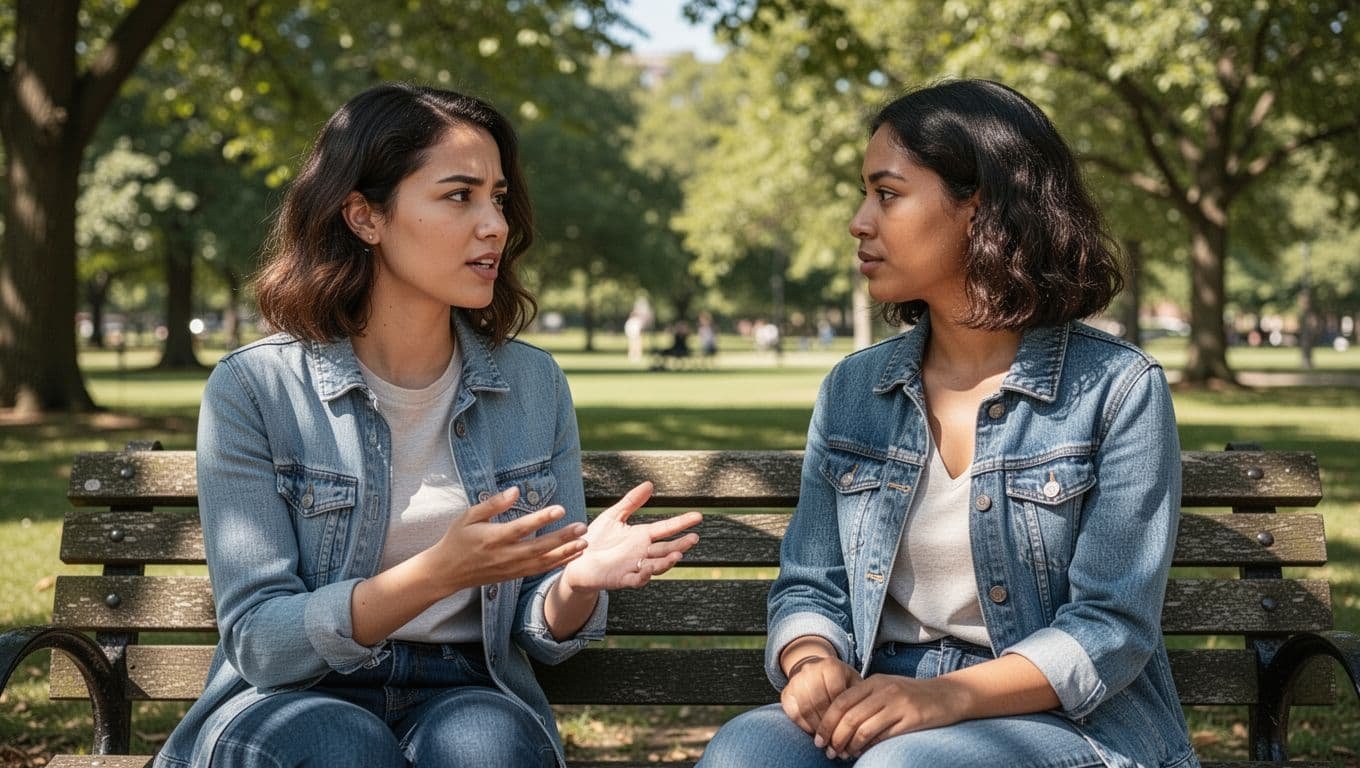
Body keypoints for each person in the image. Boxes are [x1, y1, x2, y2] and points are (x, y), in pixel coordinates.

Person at [154, 83, 702, 768]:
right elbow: (263, 640)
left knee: (490, 750)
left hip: (467, 687)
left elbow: (538, 624)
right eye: (458, 195)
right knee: (337, 747)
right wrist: (438, 572)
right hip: (292, 694)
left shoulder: (533, 386)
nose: (495, 225)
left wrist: (577, 582)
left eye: (498, 198)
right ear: (364, 216)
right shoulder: (256, 388)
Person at [698, 79, 1197, 768]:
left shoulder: (1116, 389)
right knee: (746, 749)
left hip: (1065, 722)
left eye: (888, 193)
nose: (859, 221)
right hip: (883, 694)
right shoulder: (854, 389)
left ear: (978, 206)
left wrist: (942, 699)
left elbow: (1110, 629)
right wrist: (810, 658)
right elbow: (812, 583)